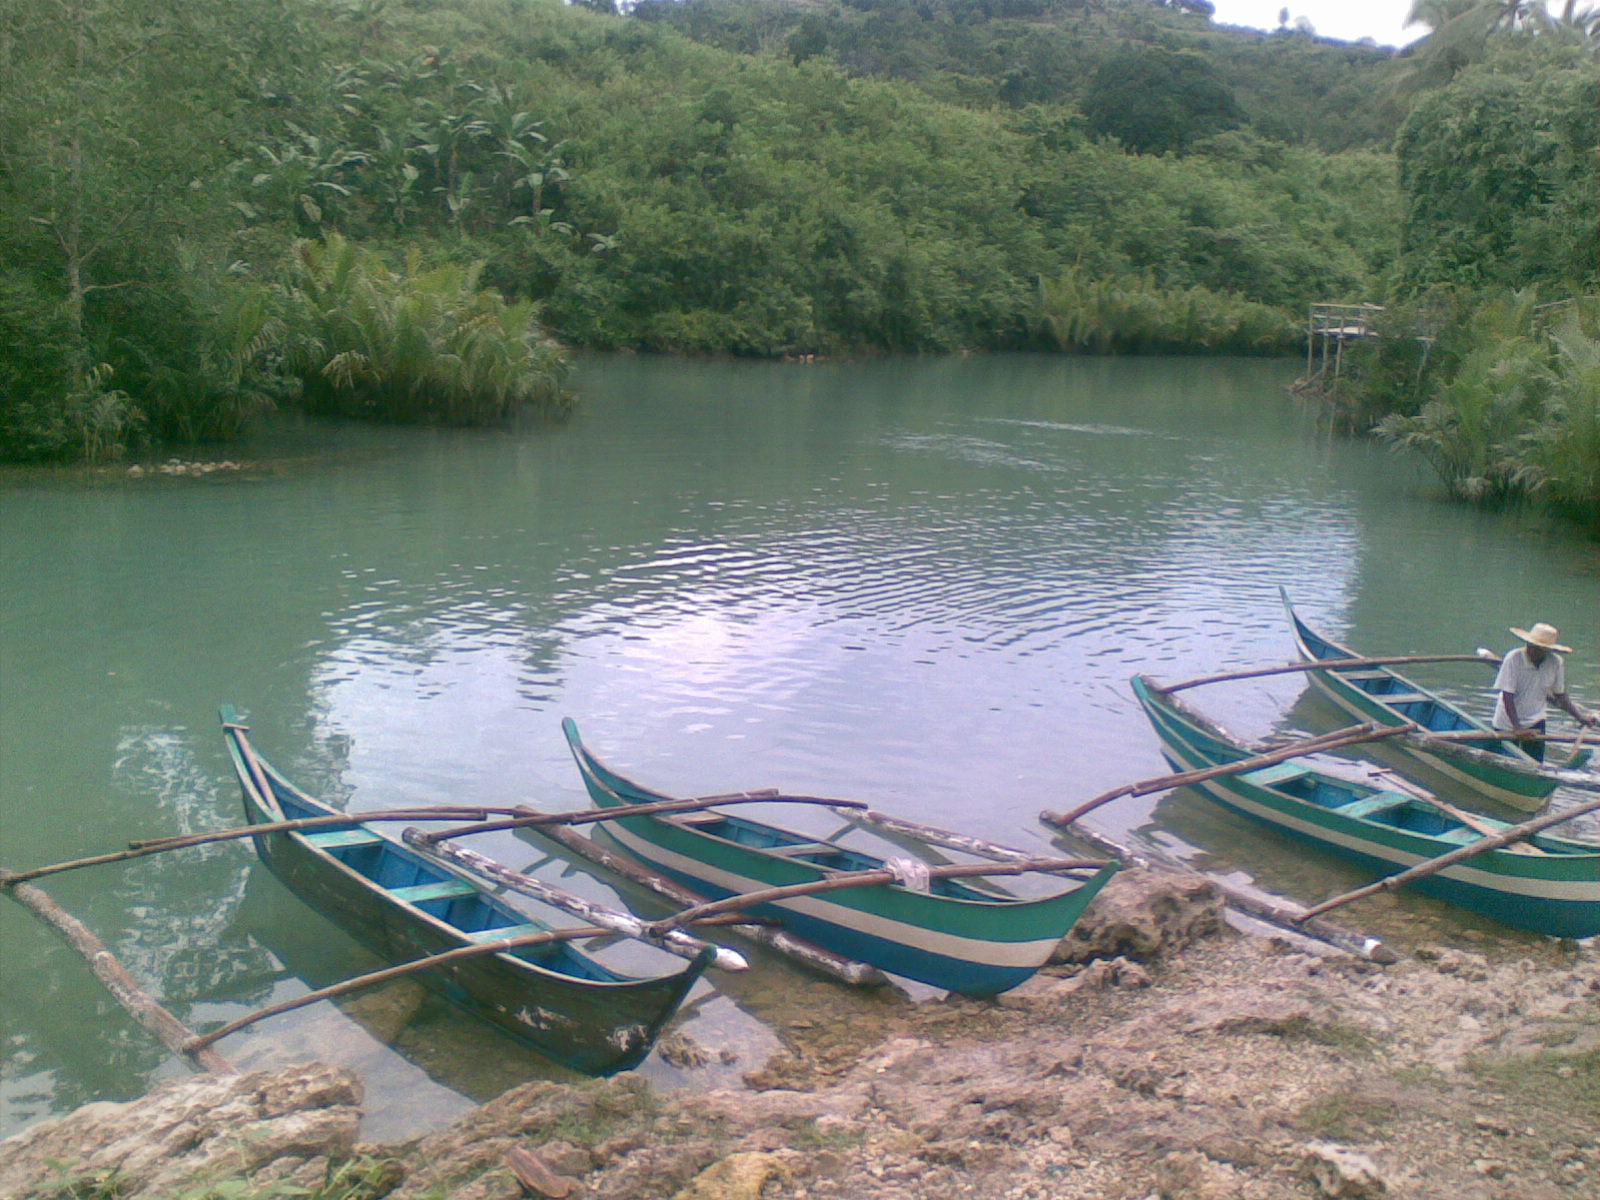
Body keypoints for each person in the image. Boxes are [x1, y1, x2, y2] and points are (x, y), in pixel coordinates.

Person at [1492, 622, 1598, 761]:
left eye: (1539, 648)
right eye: (1531, 645)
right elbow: (1507, 695)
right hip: (1507, 722)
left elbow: (1560, 695)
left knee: (1535, 762)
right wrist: (1517, 728)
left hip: (1536, 720)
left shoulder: (1555, 662)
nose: (1533, 650)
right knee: (1504, 760)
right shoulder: (1513, 658)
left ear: (1547, 650)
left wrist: (1580, 717)